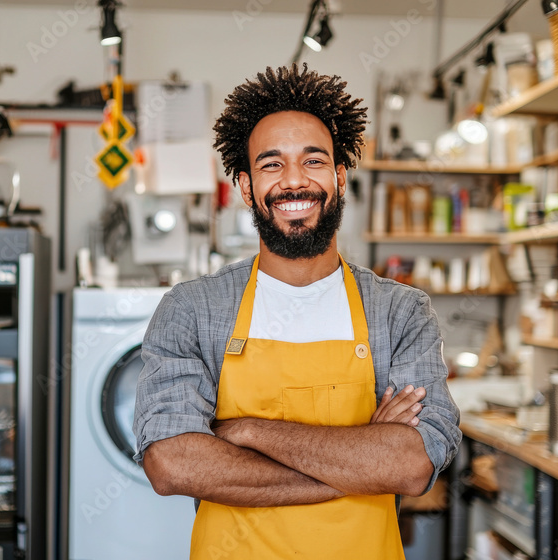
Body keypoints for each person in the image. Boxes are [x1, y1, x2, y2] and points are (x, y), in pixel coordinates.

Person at [132, 64, 461, 560]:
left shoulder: (399, 312)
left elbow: (413, 466)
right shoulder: (192, 309)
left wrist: (246, 432)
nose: (293, 181)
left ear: (339, 177)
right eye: (271, 164)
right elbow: (173, 465)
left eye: (313, 161)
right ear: (245, 187)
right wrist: (361, 459)